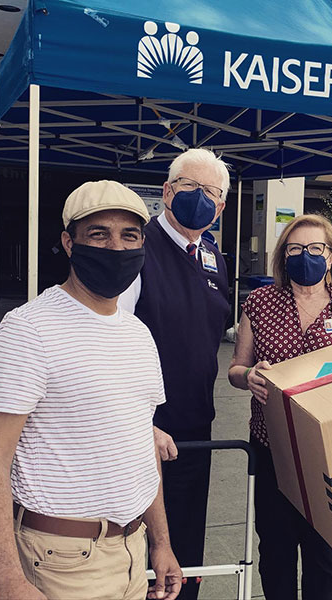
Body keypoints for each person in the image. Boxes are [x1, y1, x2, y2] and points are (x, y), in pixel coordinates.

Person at [0, 180, 182, 600]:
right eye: (98, 234)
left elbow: (141, 444)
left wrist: (161, 543)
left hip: (133, 550)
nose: (116, 247)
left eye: (130, 236)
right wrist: (8, 578)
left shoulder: (139, 334)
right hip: (61, 561)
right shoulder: (27, 330)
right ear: (69, 244)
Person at [228, 214, 332, 600]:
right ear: (283, 256)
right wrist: (249, 376)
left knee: (327, 555)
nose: (306, 256)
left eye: (316, 249)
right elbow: (235, 368)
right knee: (276, 550)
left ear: (331, 256)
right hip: (273, 447)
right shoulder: (261, 302)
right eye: (295, 249)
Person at [119, 148, 231, 600]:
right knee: (143, 554)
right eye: (189, 186)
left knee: (186, 550)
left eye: (210, 192)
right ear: (167, 190)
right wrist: (139, 423)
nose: (199, 198)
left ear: (221, 207)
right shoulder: (136, 249)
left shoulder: (212, 256)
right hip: (144, 432)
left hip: (194, 429)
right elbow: (112, 340)